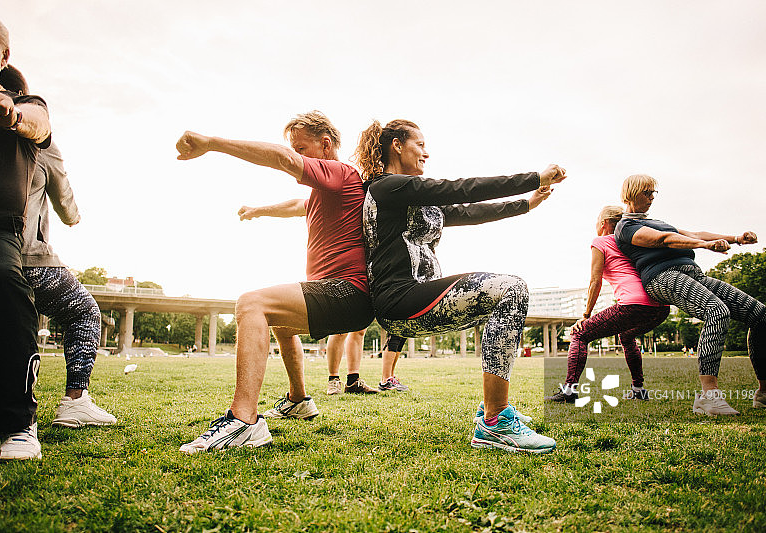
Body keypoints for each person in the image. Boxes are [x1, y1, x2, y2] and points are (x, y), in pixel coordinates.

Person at [355, 119, 565, 453]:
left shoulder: (411, 196)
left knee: (505, 298)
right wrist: (533, 178)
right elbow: (461, 188)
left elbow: (468, 211)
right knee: (510, 290)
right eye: (419, 144)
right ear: (397, 145)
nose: (426, 152)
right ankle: (495, 422)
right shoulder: (387, 187)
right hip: (399, 300)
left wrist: (527, 203)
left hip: (418, 299)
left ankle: (492, 411)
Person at [175, 111, 374, 452]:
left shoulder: (340, 173)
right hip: (341, 294)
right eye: (294, 148)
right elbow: (299, 205)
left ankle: (243, 421)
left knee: (251, 303)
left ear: (325, 145)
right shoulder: (326, 190)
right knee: (280, 321)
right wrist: (260, 209)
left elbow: (281, 159)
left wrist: (212, 143)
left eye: (301, 148)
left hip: (348, 293)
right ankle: (298, 400)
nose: (295, 155)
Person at [0, 65, 116, 427]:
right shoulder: (38, 140)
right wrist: (75, 216)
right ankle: (75, 400)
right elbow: (67, 207)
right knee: (83, 312)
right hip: (26, 257)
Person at [0, 5, 52, 460]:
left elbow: (39, 126)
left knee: (2, 284)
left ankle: (17, 424)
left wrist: (9, 115)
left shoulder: (26, 104)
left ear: (2, 54)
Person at [614, 174, 766, 414]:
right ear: (632, 192)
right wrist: (706, 246)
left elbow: (694, 234)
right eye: (647, 192)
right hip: (662, 277)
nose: (652, 197)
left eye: (655, 192)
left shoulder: (657, 221)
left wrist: (736, 239)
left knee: (761, 315)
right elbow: (663, 240)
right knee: (717, 311)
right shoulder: (625, 227)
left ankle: (764, 393)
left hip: (694, 274)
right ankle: (709, 396)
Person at [237, 199, 377, 395]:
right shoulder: (338, 196)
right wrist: (257, 210)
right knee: (336, 332)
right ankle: (332, 379)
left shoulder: (365, 196)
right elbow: (298, 206)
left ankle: (352, 380)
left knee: (358, 330)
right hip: (333, 279)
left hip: (361, 280)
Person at [545, 205, 670, 403]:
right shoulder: (632, 241)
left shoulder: (600, 241)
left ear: (603, 223)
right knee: (627, 336)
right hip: (661, 307)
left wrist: (586, 315)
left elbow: (595, 281)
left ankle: (569, 391)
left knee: (580, 333)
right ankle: (638, 389)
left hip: (633, 304)